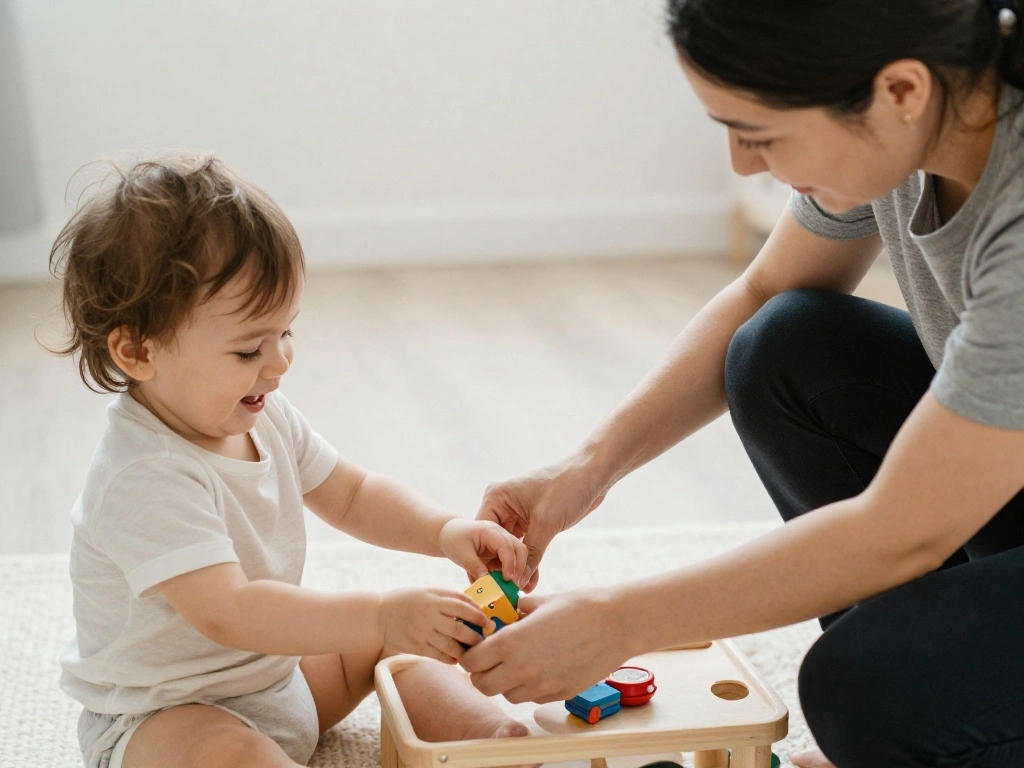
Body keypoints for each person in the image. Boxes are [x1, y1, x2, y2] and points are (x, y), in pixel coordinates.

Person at [460, 1, 1024, 766]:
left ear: (900, 90)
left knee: (862, 691)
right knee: (783, 345)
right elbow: (763, 293)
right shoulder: (927, 114)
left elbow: (900, 532)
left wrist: (618, 622)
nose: (742, 164)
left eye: (758, 134)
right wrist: (586, 468)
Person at [51, 153, 531, 768]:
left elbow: (353, 494)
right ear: (138, 352)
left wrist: (443, 531)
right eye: (249, 349)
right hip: (167, 715)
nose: (279, 363)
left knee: (409, 641)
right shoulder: (142, 475)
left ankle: (485, 741)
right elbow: (230, 612)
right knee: (235, 750)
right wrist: (378, 614)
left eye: (285, 334)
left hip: (278, 674)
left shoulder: (262, 415)